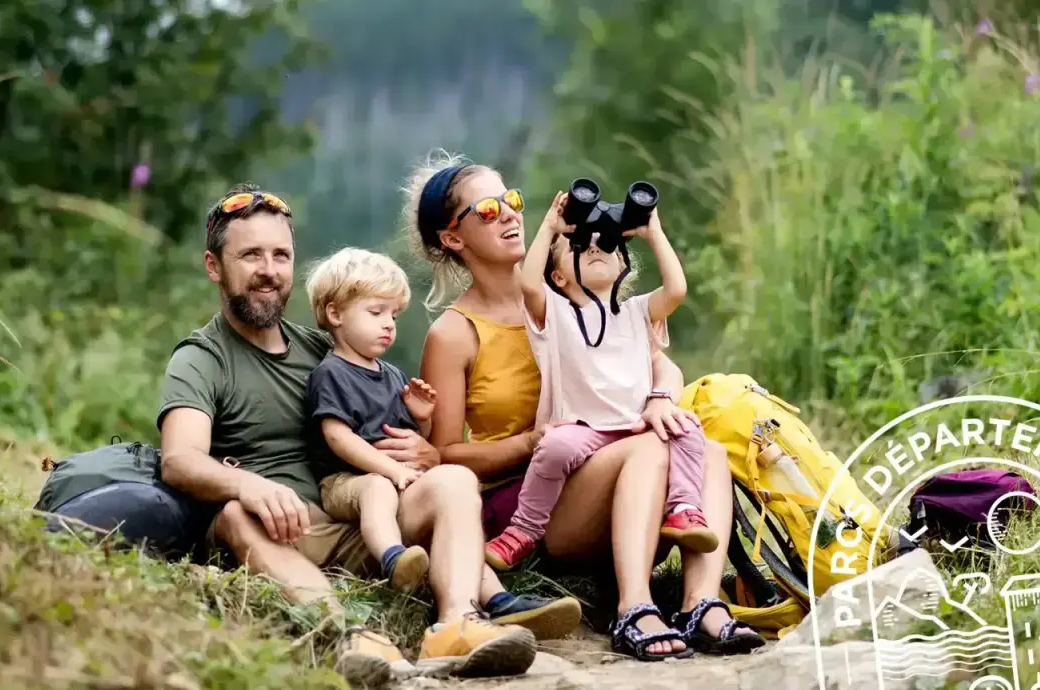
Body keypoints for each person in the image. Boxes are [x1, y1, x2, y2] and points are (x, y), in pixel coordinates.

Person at [156, 184, 582, 690]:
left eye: (280, 255)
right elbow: (179, 460)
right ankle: (349, 634)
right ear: (214, 266)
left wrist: (424, 448)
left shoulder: (323, 349)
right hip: (282, 529)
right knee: (233, 514)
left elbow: (391, 420)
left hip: (364, 517)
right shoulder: (202, 358)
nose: (268, 270)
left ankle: (456, 625)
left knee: (452, 480)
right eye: (250, 255)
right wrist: (250, 485)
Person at [403, 153, 767, 661]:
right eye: (487, 210)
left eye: (511, 200)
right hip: (538, 500)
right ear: (452, 238)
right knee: (649, 448)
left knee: (705, 449)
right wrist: (531, 442)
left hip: (616, 475)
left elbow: (657, 363)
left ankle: (701, 605)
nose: (508, 214)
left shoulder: (572, 290)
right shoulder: (455, 333)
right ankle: (634, 608)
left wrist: (661, 398)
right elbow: (445, 454)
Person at [483, 190, 718, 572]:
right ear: (558, 276)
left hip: (636, 425)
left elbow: (676, 290)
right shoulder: (555, 314)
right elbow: (529, 285)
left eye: (606, 244)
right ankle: (523, 530)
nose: (594, 248)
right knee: (554, 446)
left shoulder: (638, 311)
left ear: (622, 262)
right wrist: (551, 226)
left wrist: (653, 232)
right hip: (583, 428)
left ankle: (684, 508)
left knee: (689, 430)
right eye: (579, 246)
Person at [302, 246, 439, 594]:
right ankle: (393, 559)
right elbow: (338, 437)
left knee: (447, 487)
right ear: (335, 313)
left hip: (394, 476)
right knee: (377, 486)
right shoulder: (331, 373)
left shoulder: (392, 375)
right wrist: (391, 470)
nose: (389, 324)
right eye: (376, 312)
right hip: (344, 482)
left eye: (394, 315)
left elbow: (409, 439)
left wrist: (422, 420)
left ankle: (490, 593)